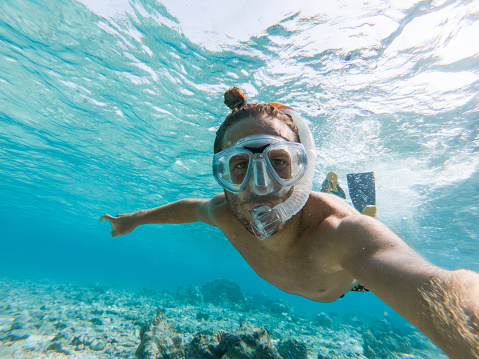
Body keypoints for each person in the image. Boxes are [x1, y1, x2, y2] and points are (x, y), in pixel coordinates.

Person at [101, 87, 479, 358]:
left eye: (279, 162)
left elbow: (437, 287)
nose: (260, 187)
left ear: (303, 169)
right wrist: (134, 220)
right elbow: (192, 208)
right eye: (239, 167)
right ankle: (336, 185)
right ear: (223, 177)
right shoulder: (224, 213)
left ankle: (343, 192)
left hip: (352, 280)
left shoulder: (342, 234)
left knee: (364, 216)